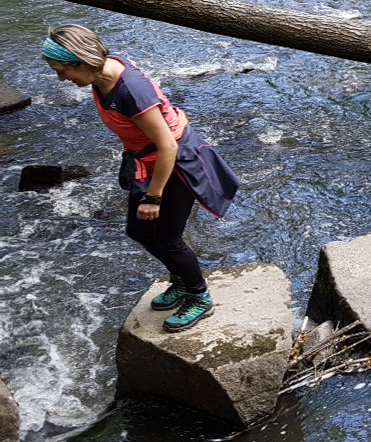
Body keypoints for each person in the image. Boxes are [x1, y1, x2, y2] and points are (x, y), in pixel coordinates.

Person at [42, 24, 240, 332]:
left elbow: (168, 145)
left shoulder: (130, 90)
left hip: (174, 162)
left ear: (81, 61)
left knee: (167, 237)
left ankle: (199, 297)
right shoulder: (100, 74)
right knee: (138, 230)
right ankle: (180, 281)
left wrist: (153, 196)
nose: (61, 78)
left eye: (62, 71)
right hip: (146, 159)